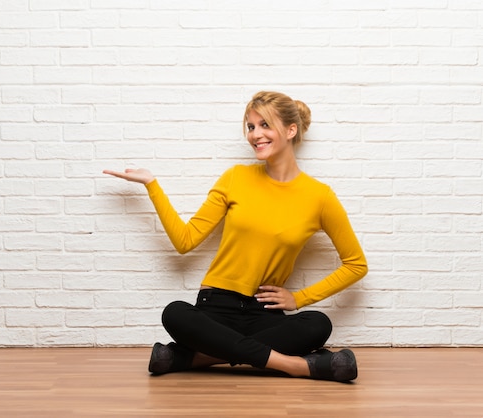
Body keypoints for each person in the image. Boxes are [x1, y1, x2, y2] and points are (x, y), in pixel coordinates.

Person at [103, 91, 368, 382]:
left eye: (265, 125)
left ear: (291, 130)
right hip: (215, 306)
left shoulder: (320, 197)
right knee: (175, 313)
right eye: (251, 126)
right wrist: (152, 185)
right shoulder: (235, 178)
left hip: (264, 313)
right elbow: (185, 241)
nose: (255, 135)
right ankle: (299, 366)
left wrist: (300, 298)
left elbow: (356, 264)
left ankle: (195, 358)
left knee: (317, 324)